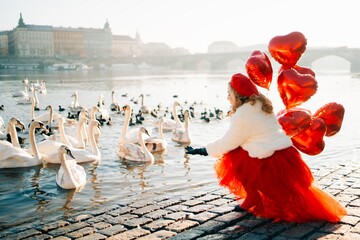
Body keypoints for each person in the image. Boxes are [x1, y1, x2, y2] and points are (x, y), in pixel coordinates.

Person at [185, 73, 347, 223]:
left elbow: (229, 141)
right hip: (283, 153)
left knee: (233, 156)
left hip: (268, 159)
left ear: (236, 95)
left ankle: (254, 198)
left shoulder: (243, 115)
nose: (227, 98)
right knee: (289, 189)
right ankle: (254, 198)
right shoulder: (261, 106)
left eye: (229, 94)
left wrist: (203, 150)